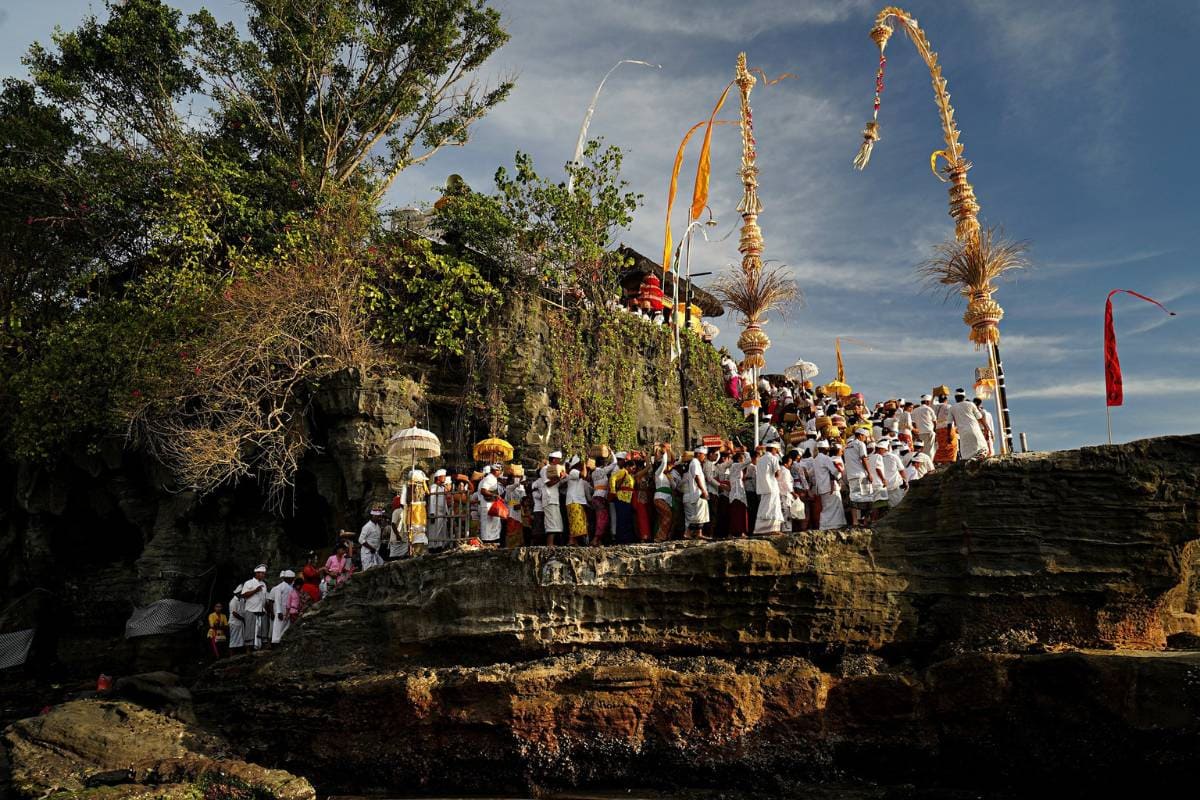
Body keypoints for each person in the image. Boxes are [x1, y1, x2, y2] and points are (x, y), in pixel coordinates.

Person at [813, 441, 847, 529]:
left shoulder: (815, 459)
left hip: (821, 488)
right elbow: (834, 471)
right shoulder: (826, 458)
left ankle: (828, 525)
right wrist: (840, 476)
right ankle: (830, 525)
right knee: (833, 506)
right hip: (829, 487)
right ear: (825, 449)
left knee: (826, 507)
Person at [843, 427, 873, 526]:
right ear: (860, 436)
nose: (865, 439)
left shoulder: (847, 446)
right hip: (861, 475)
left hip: (851, 475)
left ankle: (855, 521)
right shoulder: (860, 444)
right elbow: (864, 459)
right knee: (868, 497)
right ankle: (866, 521)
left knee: (854, 499)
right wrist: (869, 473)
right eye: (865, 436)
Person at [753, 442, 784, 535]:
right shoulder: (773, 458)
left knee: (763, 507)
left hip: (763, 487)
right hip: (772, 486)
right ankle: (772, 529)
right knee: (773, 507)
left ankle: (760, 529)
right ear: (773, 449)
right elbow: (778, 474)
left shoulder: (760, 459)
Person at [951, 389, 989, 460]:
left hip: (963, 434)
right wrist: (986, 428)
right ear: (964, 396)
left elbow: (949, 424)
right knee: (984, 449)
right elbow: (980, 417)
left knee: (966, 455)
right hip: (974, 430)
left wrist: (948, 436)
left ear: (955, 397)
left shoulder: (952, 408)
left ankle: (972, 462)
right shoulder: (971, 404)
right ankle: (976, 460)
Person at [683, 447, 710, 539]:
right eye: (704, 455)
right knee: (697, 515)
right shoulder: (695, 463)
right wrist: (703, 490)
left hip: (698, 492)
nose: (704, 457)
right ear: (698, 454)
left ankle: (699, 533)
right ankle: (688, 533)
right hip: (697, 492)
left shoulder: (696, 463)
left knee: (700, 514)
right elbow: (697, 477)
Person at [240, 565, 269, 651]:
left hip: (261, 609)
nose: (263, 575)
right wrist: (255, 590)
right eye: (262, 573)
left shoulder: (264, 584)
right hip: (251, 609)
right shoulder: (248, 583)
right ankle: (248, 649)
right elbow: (243, 595)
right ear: (256, 573)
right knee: (249, 630)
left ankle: (263, 646)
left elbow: (265, 598)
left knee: (263, 629)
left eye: (264, 574)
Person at [610, 455, 637, 544]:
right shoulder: (623, 471)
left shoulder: (629, 474)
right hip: (621, 498)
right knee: (622, 519)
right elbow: (613, 478)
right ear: (628, 466)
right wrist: (613, 490)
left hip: (627, 499)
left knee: (626, 519)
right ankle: (621, 539)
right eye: (633, 468)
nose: (634, 470)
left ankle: (626, 539)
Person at [565, 459, 591, 545]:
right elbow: (584, 475)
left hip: (576, 500)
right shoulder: (573, 471)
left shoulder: (574, 472)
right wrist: (584, 464)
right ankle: (571, 540)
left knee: (576, 521)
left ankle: (573, 541)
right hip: (574, 500)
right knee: (575, 521)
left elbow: (586, 477)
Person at [652, 445, 675, 542]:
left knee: (663, 518)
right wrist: (665, 453)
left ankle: (661, 537)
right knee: (667, 516)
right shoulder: (658, 473)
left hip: (667, 499)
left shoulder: (667, 476)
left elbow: (674, 487)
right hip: (659, 498)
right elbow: (664, 462)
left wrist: (671, 480)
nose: (668, 466)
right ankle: (659, 537)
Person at [478, 465, 504, 547]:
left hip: (491, 506)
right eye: (499, 471)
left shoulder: (493, 479)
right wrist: (494, 495)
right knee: (487, 529)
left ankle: (493, 545)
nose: (500, 472)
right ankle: (487, 546)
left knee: (494, 527)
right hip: (487, 506)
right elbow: (483, 490)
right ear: (495, 470)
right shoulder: (489, 478)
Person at [727, 450, 750, 538]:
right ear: (739, 459)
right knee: (738, 513)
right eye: (742, 458)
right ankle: (738, 532)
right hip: (737, 493)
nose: (743, 460)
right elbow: (748, 461)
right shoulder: (735, 465)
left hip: (738, 491)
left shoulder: (736, 467)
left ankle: (738, 532)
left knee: (737, 513)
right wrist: (745, 451)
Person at [269, 570, 296, 645]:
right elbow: (277, 600)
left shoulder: (290, 587)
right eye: (292, 578)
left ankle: (281, 641)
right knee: (278, 627)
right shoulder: (279, 587)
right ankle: (275, 643)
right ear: (288, 578)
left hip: (287, 611)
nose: (293, 579)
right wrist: (278, 612)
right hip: (280, 611)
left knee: (285, 627)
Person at [427, 470, 450, 551]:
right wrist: (432, 513)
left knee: (441, 530)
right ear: (438, 478)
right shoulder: (433, 487)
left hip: (442, 512)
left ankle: (440, 546)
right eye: (443, 476)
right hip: (436, 512)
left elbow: (444, 501)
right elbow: (432, 499)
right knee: (435, 530)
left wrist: (447, 512)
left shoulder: (442, 488)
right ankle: (432, 547)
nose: (444, 478)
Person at [227, 584, 246, 656]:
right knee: (233, 639)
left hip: (240, 623)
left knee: (240, 639)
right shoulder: (233, 601)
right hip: (234, 623)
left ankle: (238, 654)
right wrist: (242, 618)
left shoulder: (241, 600)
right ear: (238, 593)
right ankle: (232, 655)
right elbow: (234, 613)